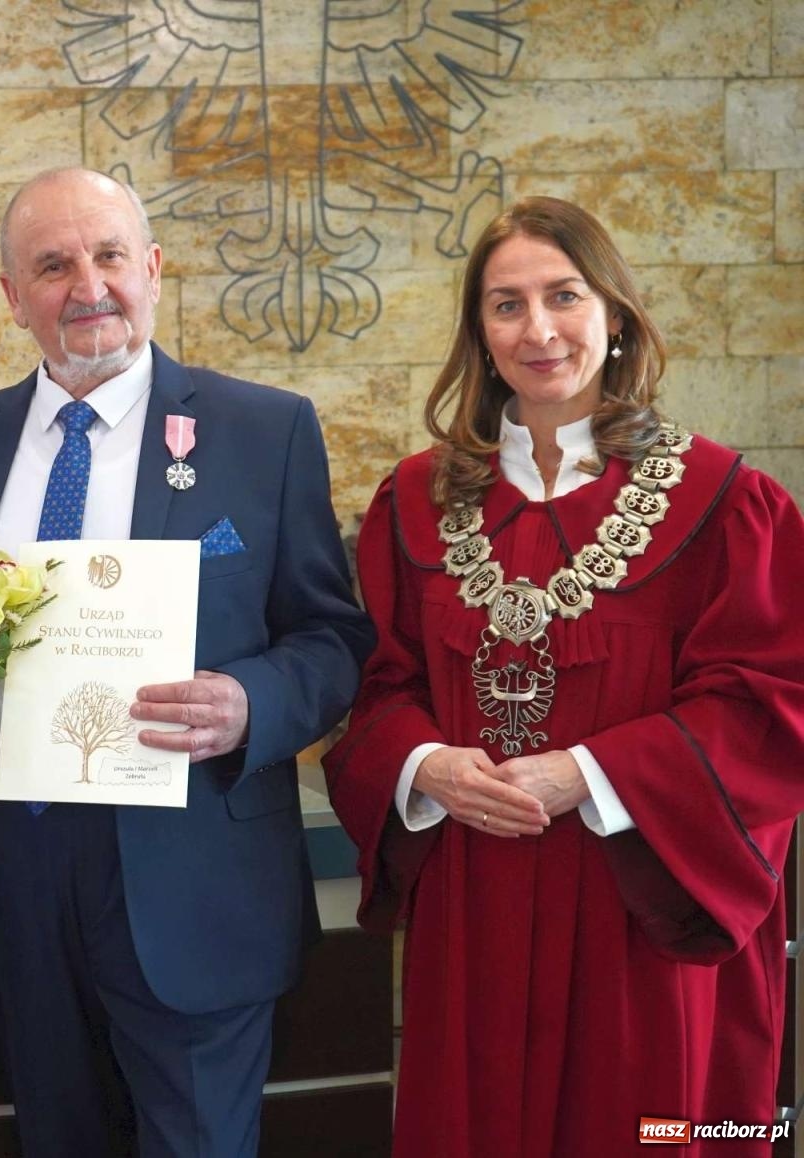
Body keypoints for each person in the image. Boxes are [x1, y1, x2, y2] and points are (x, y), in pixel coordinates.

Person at [0, 167, 374, 1156]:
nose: (88, 284)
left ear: (152, 268)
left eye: (109, 255)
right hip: (13, 878)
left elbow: (333, 638)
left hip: (196, 873)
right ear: (10, 295)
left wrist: (249, 702)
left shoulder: (263, 431)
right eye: (53, 264)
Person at [324, 196, 804, 1156]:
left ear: (615, 315)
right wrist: (423, 765)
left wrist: (587, 774)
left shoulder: (724, 504)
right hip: (475, 898)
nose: (538, 330)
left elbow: (770, 706)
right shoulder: (414, 504)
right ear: (479, 334)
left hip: (644, 903)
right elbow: (374, 687)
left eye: (563, 296)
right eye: (506, 305)